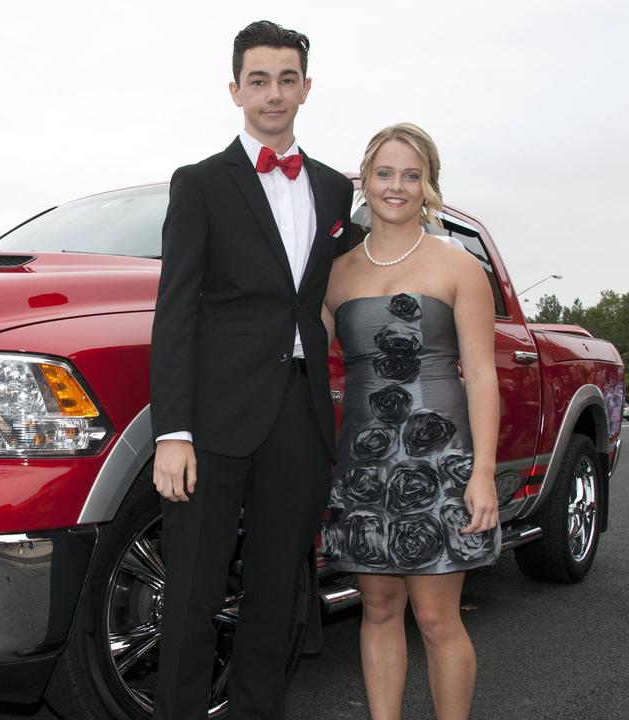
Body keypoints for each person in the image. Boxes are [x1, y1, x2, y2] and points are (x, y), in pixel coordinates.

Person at [149, 19, 354, 720]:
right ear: (236, 89)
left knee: (276, 595)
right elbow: (174, 311)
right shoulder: (201, 183)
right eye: (259, 79)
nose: (274, 93)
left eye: (287, 78)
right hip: (212, 420)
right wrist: (172, 430)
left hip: (299, 414)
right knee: (193, 596)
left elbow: (330, 292)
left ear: (306, 87)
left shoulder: (332, 190)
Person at [319, 123, 500, 720]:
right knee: (376, 608)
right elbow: (298, 360)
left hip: (439, 458)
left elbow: (481, 373)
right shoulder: (336, 274)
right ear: (365, 181)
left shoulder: (458, 267)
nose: (397, 186)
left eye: (412, 175)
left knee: (435, 616)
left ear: (429, 186)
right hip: (364, 460)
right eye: (385, 173)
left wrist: (483, 475)